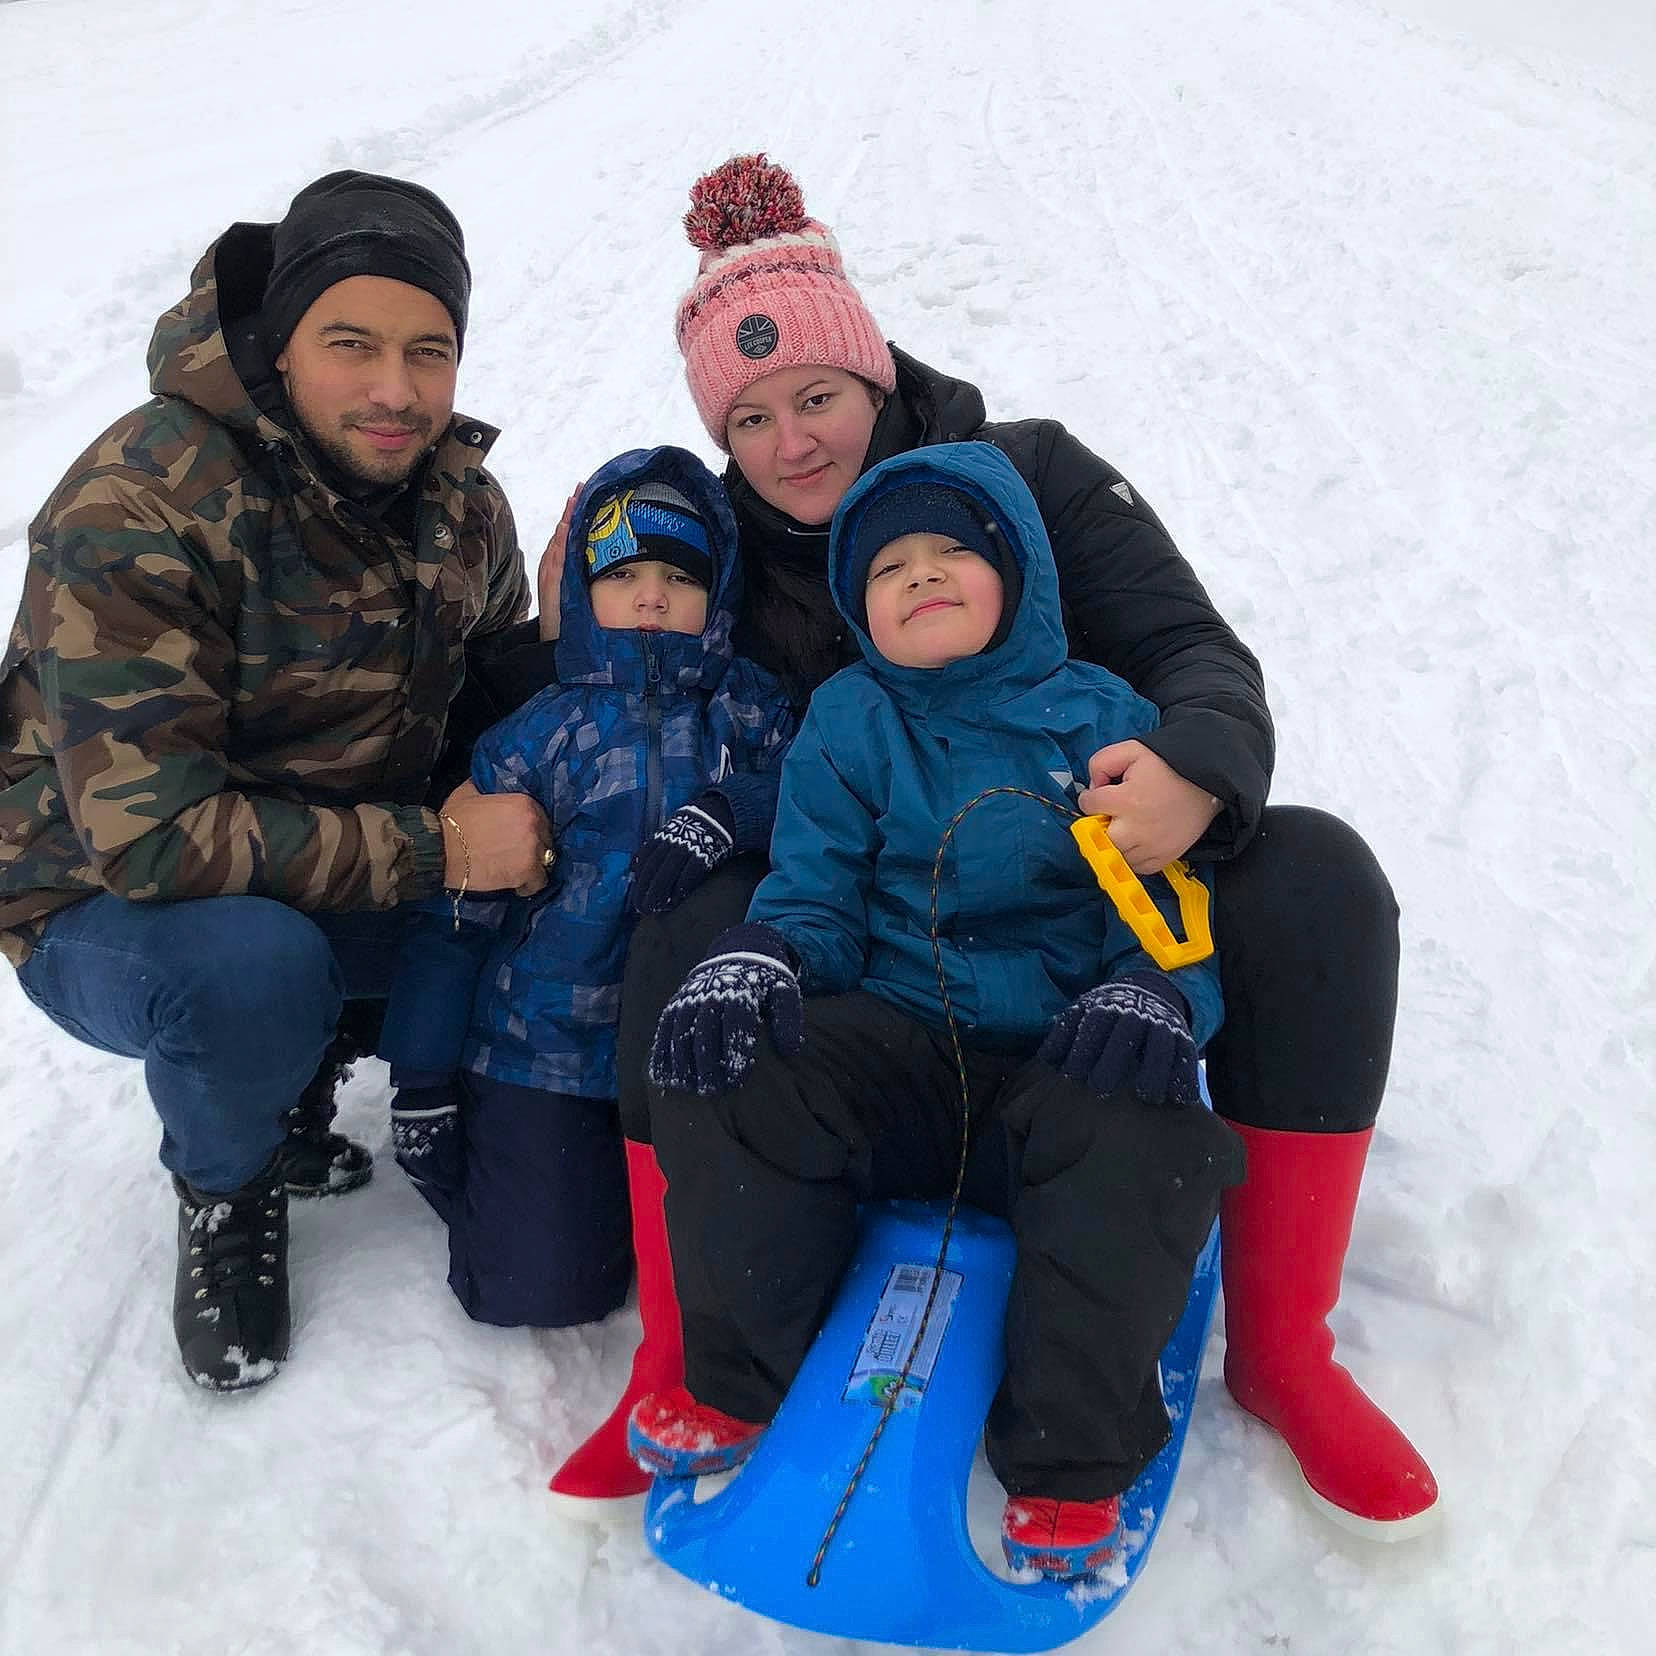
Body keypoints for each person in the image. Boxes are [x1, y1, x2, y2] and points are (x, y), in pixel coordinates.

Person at [607, 152, 1439, 1537]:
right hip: (877, 956)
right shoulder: (734, 546)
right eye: (751, 418)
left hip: (1100, 896)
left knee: (1317, 878)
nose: (793, 443)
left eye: (818, 396)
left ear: (875, 377)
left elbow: (1190, 649)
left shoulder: (1032, 477)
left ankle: (1287, 1356)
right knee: (692, 917)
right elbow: (603, 654)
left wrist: (1193, 767)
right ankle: (688, 1354)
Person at [628, 442, 1246, 1579]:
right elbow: (812, 889)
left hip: (1065, 1052)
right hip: (902, 1046)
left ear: (1021, 574)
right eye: (888, 566)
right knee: (736, 1067)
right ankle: (743, 1372)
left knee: (1148, 1134)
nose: (921, 574)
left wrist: (1154, 992)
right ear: (859, 609)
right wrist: (763, 952)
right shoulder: (850, 720)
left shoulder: (1105, 719)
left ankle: (1070, 1456)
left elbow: (1167, 909)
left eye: (953, 550)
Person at [0, 170, 551, 1393]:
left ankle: (303, 1079)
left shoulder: (460, 504)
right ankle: (225, 1181)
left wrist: (575, 660)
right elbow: (155, 842)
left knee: (549, 884)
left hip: (317, 852)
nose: (396, 391)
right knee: (255, 969)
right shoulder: (139, 502)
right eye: (349, 344)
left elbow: (485, 728)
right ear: (278, 344)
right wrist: (441, 854)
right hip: (99, 901)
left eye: (430, 350)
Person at [375, 451, 795, 1340]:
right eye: (624, 574)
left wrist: (740, 809)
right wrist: (421, 1077)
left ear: (717, 595)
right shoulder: (534, 732)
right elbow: (455, 923)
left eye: (679, 576)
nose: (651, 596)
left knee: (751, 1280)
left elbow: (822, 809)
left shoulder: (753, 715)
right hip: (543, 1052)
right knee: (535, 1290)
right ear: (582, 592)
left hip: (702, 1051)